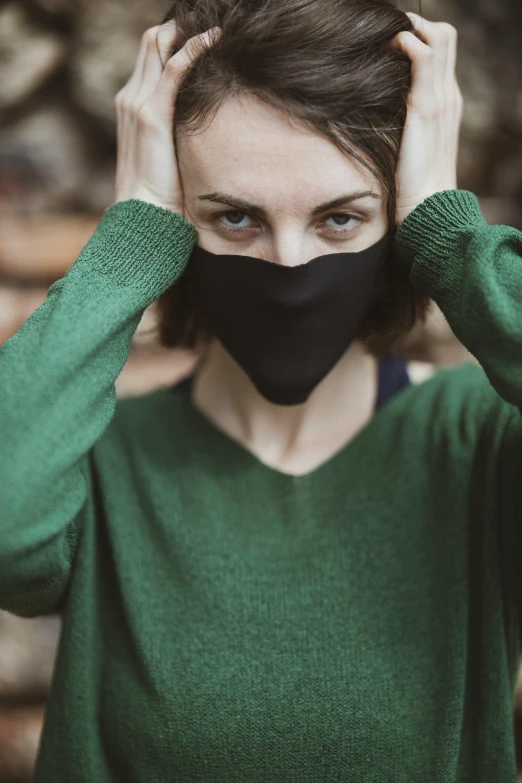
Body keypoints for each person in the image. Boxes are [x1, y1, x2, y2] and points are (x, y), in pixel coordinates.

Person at [1, 0, 522, 780]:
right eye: (236, 216)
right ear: (179, 219)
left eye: (340, 217)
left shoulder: (476, 443)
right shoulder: (101, 459)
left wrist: (446, 234)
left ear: (397, 221)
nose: (288, 263)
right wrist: (129, 235)